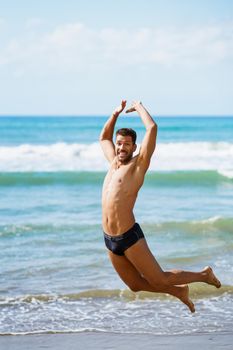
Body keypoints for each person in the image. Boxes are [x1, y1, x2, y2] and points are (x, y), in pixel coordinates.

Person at [99, 100, 221, 313]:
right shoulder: (113, 163)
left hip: (129, 236)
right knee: (135, 285)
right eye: (119, 143)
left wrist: (138, 107)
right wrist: (115, 113)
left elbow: (152, 128)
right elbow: (103, 138)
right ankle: (178, 291)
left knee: (160, 278)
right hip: (109, 238)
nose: (121, 147)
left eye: (126, 144)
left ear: (134, 147)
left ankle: (204, 275)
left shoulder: (138, 165)